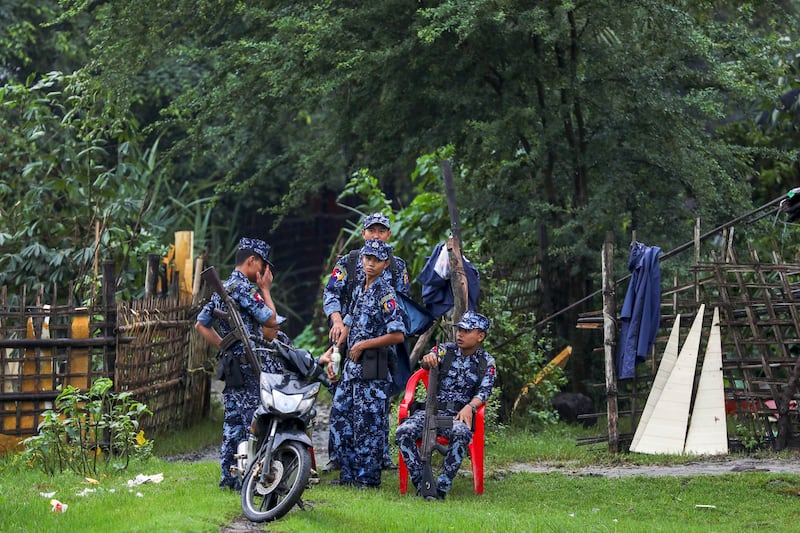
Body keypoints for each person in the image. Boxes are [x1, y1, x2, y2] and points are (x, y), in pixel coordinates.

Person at [322, 212, 410, 472]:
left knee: (376, 404)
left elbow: (402, 305)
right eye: (371, 230)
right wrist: (337, 323)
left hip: (381, 343)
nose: (376, 235)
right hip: (347, 338)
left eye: (381, 230)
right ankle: (340, 458)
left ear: (389, 235)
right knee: (342, 399)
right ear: (363, 234)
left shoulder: (396, 266)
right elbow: (332, 294)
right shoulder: (349, 262)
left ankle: (377, 459)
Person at [195, 237, 280, 491]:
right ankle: (249, 479)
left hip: (232, 364)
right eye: (262, 265)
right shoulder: (243, 288)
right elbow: (271, 322)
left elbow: (202, 324)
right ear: (252, 260)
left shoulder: (224, 287)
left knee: (233, 422)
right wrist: (265, 290)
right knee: (251, 422)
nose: (263, 272)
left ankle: (228, 479)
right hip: (248, 366)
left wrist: (224, 346)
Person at [395, 310, 496, 501]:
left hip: (455, 418)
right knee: (403, 432)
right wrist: (427, 359)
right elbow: (429, 358)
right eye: (459, 330)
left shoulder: (486, 362)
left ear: (480, 336)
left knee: (461, 433)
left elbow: (484, 392)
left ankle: (440, 488)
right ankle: (422, 484)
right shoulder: (445, 350)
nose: (460, 334)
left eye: (467, 331)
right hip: (431, 413)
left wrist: (470, 407)